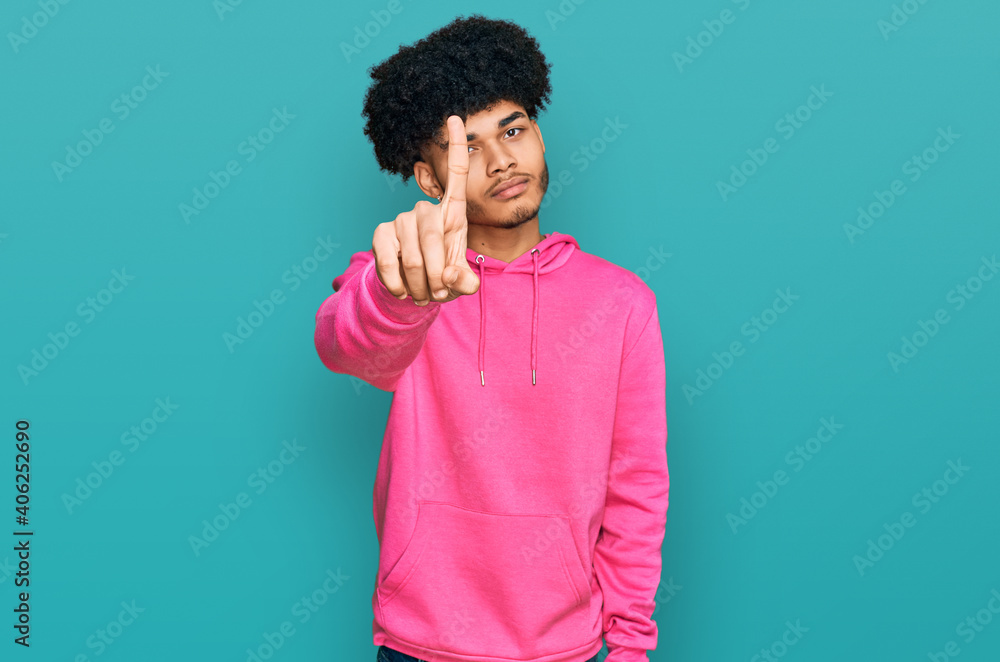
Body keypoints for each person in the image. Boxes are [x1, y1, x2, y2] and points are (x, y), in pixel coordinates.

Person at [314, 14, 669, 662]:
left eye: (512, 130)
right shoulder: (403, 278)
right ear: (430, 179)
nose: (503, 160)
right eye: (468, 147)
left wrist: (629, 646)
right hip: (419, 643)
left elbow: (637, 490)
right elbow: (346, 345)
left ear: (538, 134)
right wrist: (406, 295)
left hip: (566, 647)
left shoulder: (622, 304)